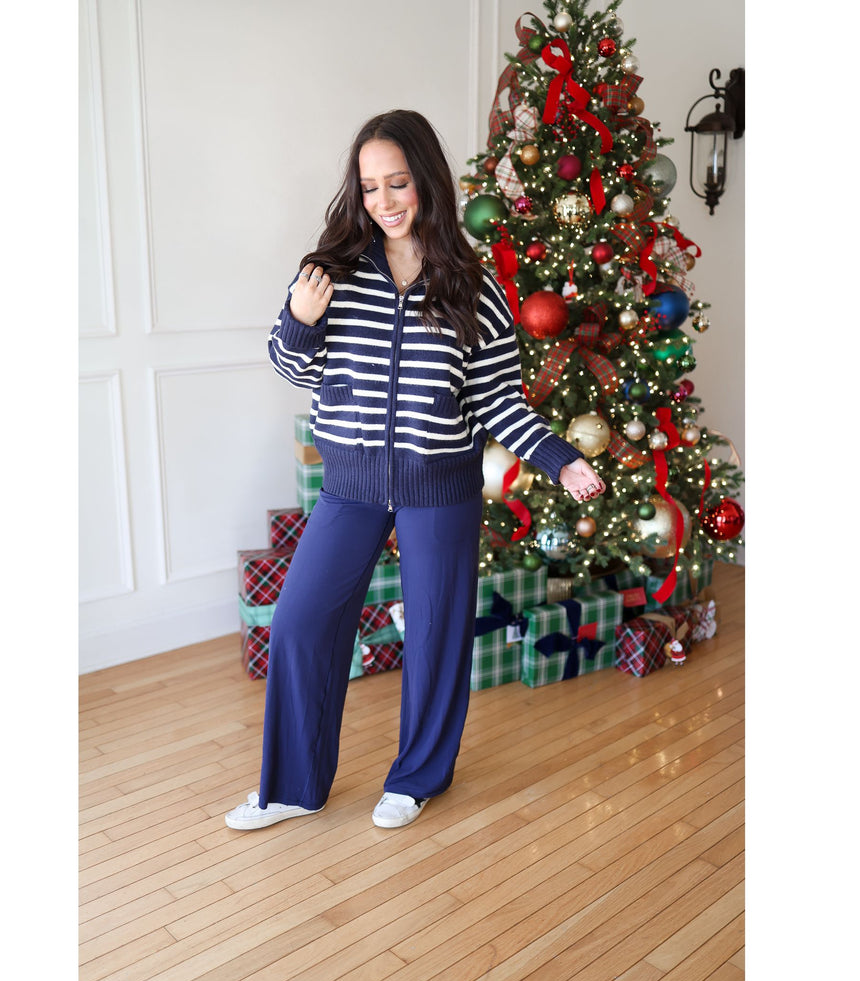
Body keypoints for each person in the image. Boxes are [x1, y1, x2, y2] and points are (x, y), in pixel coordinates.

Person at [225, 109, 606, 832]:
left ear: (426, 183)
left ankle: (418, 776)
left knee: (436, 634)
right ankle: (292, 786)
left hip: (441, 488)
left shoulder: (473, 287)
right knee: (302, 621)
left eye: (397, 183)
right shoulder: (331, 272)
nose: (384, 201)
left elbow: (497, 399)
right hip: (352, 485)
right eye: (369, 187)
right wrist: (302, 318)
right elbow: (288, 364)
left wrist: (560, 461)